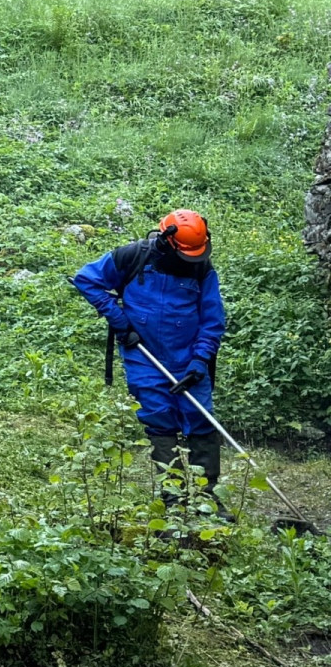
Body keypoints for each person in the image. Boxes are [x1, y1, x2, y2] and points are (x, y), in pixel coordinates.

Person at [72, 209, 228, 510]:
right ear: (168, 242)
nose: (191, 259)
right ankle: (173, 501)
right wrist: (120, 322)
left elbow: (212, 321)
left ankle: (208, 500)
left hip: (189, 357)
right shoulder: (132, 257)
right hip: (143, 355)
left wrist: (200, 360)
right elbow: (86, 280)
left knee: (201, 419)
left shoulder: (202, 269)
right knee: (159, 419)